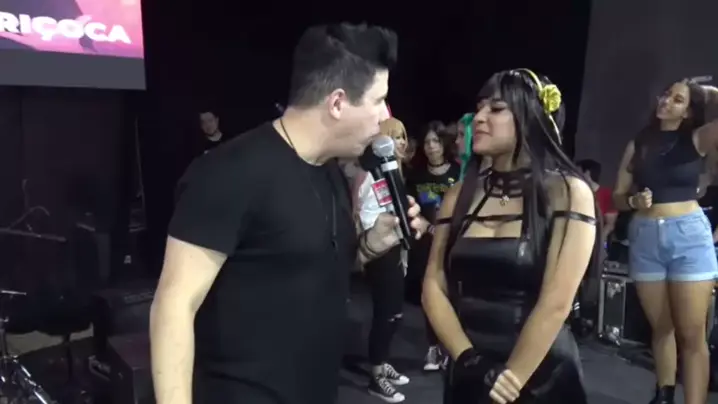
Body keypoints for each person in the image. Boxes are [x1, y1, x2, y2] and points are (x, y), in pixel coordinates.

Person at [149, 23, 425, 404]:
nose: (384, 117)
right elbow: (174, 305)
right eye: (379, 100)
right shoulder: (230, 172)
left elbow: (309, 267)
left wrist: (370, 245)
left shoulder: (330, 171)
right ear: (337, 103)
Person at [422, 68, 598, 404]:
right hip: (470, 370)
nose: (479, 118)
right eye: (479, 108)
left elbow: (556, 303)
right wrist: (469, 360)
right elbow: (434, 282)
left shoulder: (567, 193)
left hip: (540, 375)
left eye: (497, 109)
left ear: (530, 118)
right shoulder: (459, 195)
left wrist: (508, 382)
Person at [613, 79, 718, 404]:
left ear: (688, 111)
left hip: (688, 237)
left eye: (677, 99)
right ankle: (664, 395)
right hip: (645, 237)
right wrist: (632, 202)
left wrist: (710, 93)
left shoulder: (697, 138)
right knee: (661, 327)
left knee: (692, 334)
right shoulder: (639, 142)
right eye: (665, 95)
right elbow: (617, 195)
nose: (666, 101)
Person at [354, 117, 412, 402]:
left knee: (395, 313)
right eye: (394, 136)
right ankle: (376, 376)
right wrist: (371, 239)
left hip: (395, 248)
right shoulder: (368, 173)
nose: (400, 142)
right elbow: (359, 211)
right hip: (378, 250)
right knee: (386, 313)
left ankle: (382, 362)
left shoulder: (395, 171)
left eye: (403, 137)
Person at [405, 122, 460, 371]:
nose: (431, 147)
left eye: (435, 141)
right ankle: (433, 349)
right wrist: (428, 228)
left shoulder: (458, 173)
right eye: (427, 142)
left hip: (452, 244)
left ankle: (451, 348)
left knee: (452, 296)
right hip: (426, 245)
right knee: (429, 294)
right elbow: (411, 208)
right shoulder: (416, 176)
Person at [576, 159, 616, 244]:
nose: (575, 176)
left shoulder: (606, 194)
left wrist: (598, 242)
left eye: (578, 172)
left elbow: (610, 225)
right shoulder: (577, 193)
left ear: (587, 173)